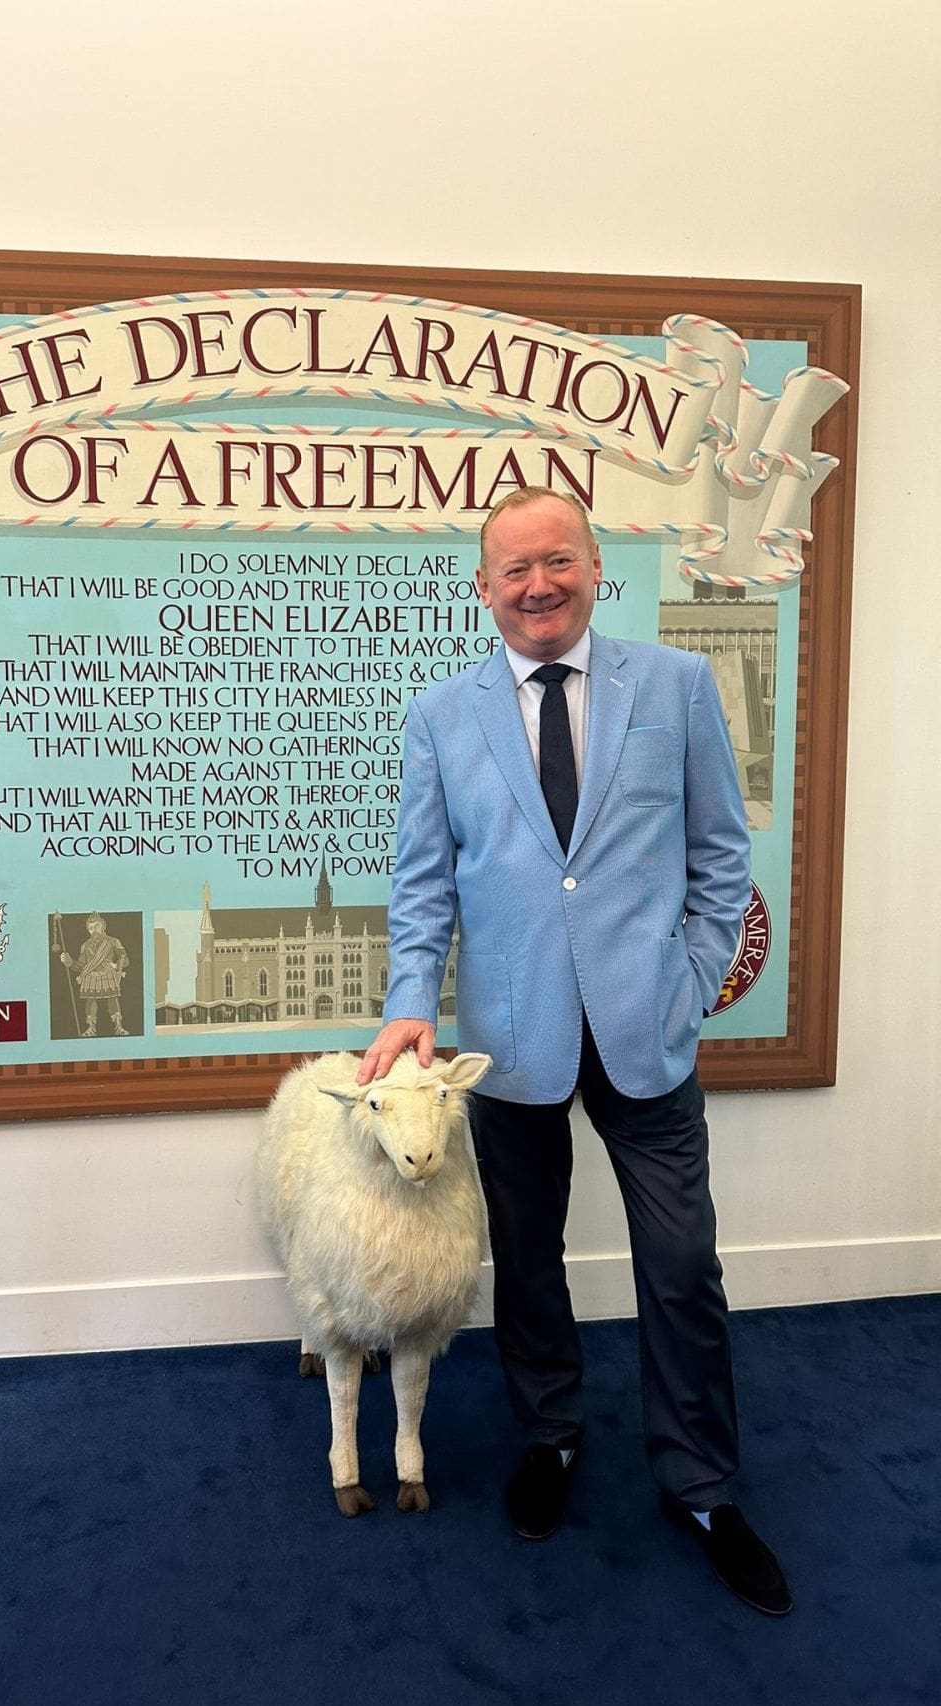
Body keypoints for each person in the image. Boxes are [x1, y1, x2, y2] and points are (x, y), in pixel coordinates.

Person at [358, 487, 791, 1616]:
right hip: (512, 1038)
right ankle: (549, 1435)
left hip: (648, 1029)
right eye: (514, 569)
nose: (537, 584)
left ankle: (702, 1487)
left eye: (557, 560)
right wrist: (410, 1000)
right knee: (527, 1258)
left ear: (597, 568)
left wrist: (689, 977)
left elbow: (719, 854)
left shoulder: (676, 687)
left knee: (681, 1265)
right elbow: (422, 884)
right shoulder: (439, 716)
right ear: (482, 588)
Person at [60, 913, 129, 1037]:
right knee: (90, 1000)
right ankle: (91, 1028)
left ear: (103, 927)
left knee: (112, 998)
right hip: (91, 976)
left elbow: (125, 960)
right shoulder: (85, 946)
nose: (94, 930)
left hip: (108, 974)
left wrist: (114, 965)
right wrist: (69, 962)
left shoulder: (113, 942)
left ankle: (118, 1026)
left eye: (96, 926)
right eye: (91, 928)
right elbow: (80, 967)